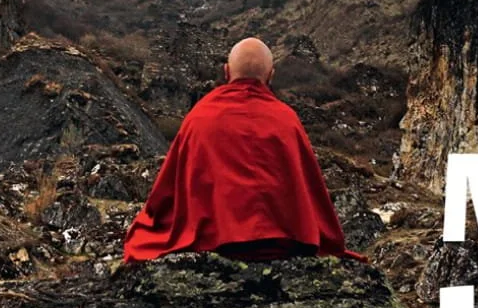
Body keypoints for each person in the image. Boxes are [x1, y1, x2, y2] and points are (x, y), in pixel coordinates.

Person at [122, 37, 361, 262]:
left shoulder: (201, 115)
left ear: (226, 72)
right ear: (271, 75)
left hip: (215, 240)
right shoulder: (286, 120)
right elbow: (312, 192)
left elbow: (166, 192)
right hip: (281, 243)